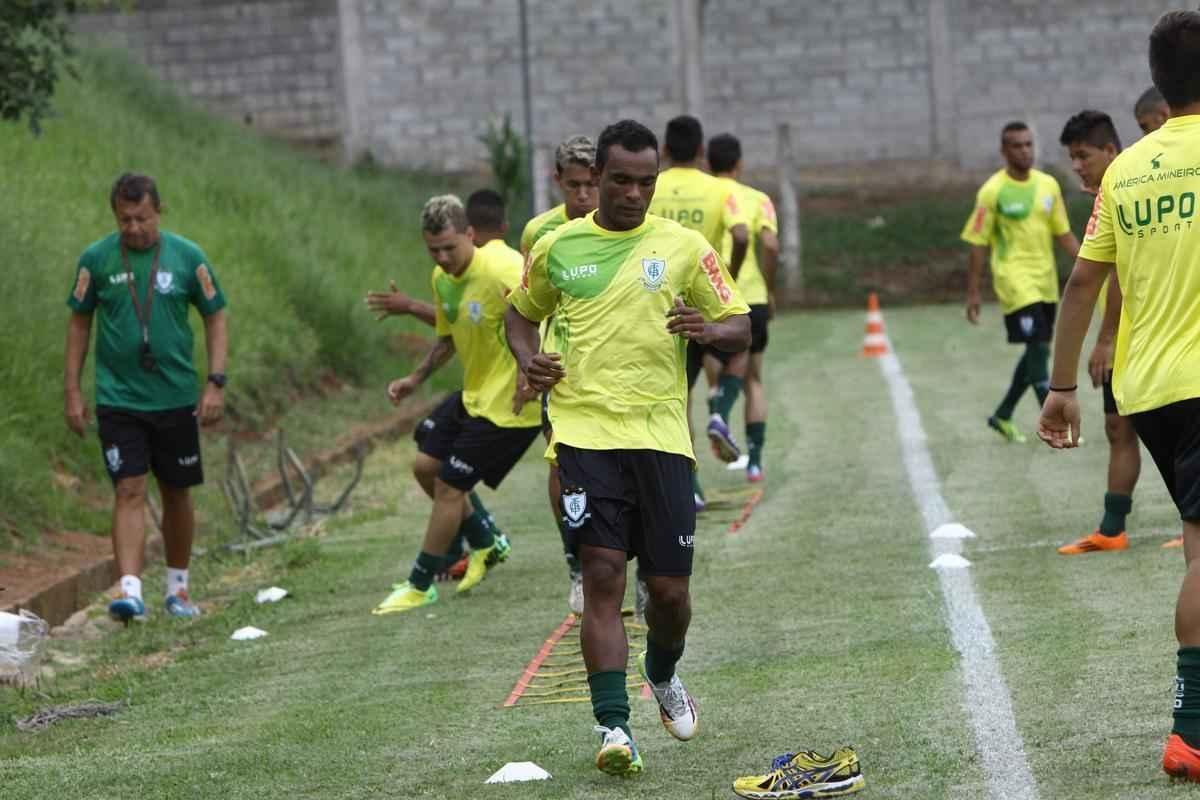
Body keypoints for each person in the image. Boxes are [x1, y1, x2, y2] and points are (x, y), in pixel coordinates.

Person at [506, 119, 750, 777]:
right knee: (603, 577)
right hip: (584, 436)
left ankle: (662, 671)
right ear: (599, 179)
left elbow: (741, 324)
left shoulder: (682, 246)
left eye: (646, 182)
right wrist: (530, 362)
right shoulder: (557, 247)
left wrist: (709, 327)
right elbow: (520, 312)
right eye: (621, 181)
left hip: (662, 439)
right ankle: (614, 727)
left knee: (669, 595)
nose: (634, 194)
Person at [1037, 10, 1200, 782]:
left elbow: (1082, 283)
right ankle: (1190, 732)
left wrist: (1062, 386)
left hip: (1149, 391)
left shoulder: (1128, 172)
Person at [64, 173, 228, 622]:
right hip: (119, 399)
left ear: (160, 211)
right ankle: (131, 591)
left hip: (174, 396)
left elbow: (215, 316)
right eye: (124, 219)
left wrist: (215, 381)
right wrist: (73, 389)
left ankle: (178, 589)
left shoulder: (188, 257)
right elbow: (79, 323)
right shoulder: (96, 261)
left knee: (176, 491)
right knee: (128, 487)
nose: (134, 228)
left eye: (142, 218)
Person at [372, 194, 540, 615]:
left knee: (450, 486)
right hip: (475, 394)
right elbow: (450, 336)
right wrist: (414, 378)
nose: (444, 258)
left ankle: (420, 582)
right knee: (426, 467)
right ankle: (486, 540)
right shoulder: (441, 279)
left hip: (512, 404)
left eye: (451, 247)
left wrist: (530, 372)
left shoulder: (503, 269)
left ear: (470, 235)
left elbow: (546, 314)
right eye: (434, 250)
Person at [647, 114, 749, 509]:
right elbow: (741, 234)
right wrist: (731, 274)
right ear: (703, 151)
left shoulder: (652, 189)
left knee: (678, 396)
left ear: (666, 149)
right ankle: (721, 406)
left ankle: (689, 486)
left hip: (664, 301)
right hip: (709, 298)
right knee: (740, 351)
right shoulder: (719, 189)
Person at [1053, 111, 1140, 555]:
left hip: (1145, 335)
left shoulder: (1133, 185)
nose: (1077, 166)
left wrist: (1105, 339)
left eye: (1083, 155)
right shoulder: (1112, 192)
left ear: (1111, 150)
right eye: (1072, 158)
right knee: (1116, 426)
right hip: (1130, 337)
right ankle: (1112, 527)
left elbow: (1118, 277)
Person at [519, 135, 599, 614]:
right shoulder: (538, 234)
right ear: (557, 182)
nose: (584, 195)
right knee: (560, 465)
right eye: (575, 185)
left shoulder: (620, 225)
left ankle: (640, 568)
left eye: (592, 184)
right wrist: (525, 365)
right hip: (560, 368)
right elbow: (523, 305)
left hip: (614, 369)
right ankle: (576, 566)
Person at [962, 121, 1079, 442]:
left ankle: (1002, 415)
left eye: (1029, 144)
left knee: (1035, 350)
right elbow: (977, 242)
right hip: (1015, 283)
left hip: (1045, 282)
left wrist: (1091, 262)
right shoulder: (992, 191)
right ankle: (1054, 423)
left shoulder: (1048, 186)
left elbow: (1063, 233)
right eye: (1017, 145)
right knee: (1039, 347)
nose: (1025, 151)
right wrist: (973, 292)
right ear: (1004, 151)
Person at [704, 133, 780, 482]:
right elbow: (770, 243)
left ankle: (718, 410)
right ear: (739, 164)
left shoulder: (706, 195)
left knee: (712, 371)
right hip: (752, 297)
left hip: (711, 295)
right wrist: (769, 285)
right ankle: (755, 461)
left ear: (707, 163)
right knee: (754, 380)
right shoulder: (757, 199)